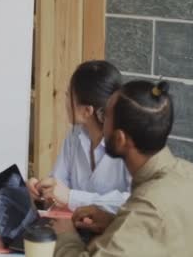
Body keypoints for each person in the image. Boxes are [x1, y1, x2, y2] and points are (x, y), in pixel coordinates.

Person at [52, 80, 193, 257]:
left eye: (105, 116)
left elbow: (150, 220)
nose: (100, 122)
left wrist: (65, 235)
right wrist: (113, 223)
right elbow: (165, 237)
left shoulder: (149, 205)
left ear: (120, 139)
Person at [27, 61, 131, 213]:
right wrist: (40, 191)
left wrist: (72, 197)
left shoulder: (128, 143)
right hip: (76, 227)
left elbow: (133, 201)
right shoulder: (74, 135)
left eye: (69, 94)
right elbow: (58, 183)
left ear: (87, 111)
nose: (65, 100)